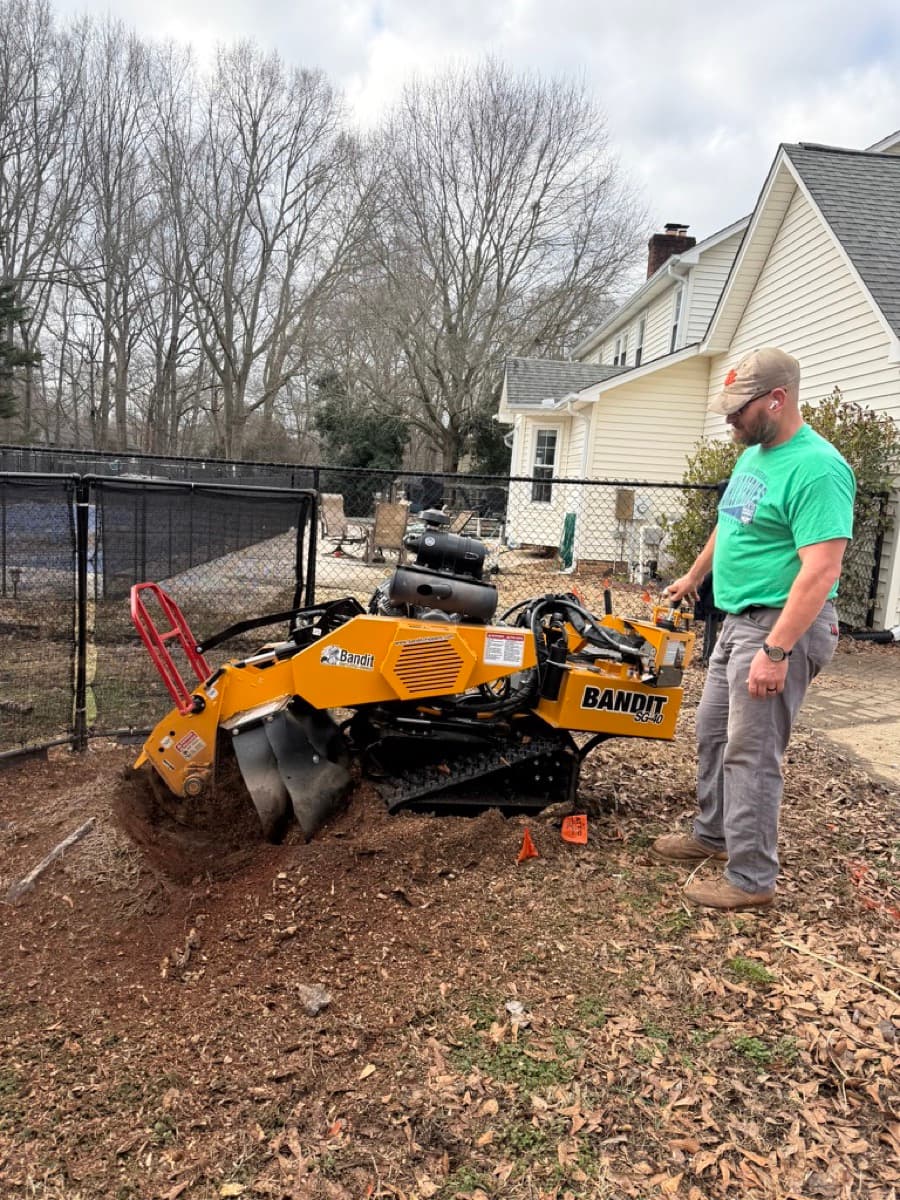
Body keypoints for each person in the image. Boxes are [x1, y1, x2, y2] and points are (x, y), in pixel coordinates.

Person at [652, 348, 855, 910]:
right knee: (712, 731)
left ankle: (751, 879)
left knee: (752, 751)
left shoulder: (818, 468)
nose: (729, 419)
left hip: (778, 627)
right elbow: (730, 525)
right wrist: (693, 577)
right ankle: (712, 835)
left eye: (738, 409)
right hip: (738, 621)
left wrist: (777, 648)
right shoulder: (753, 457)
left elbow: (822, 570)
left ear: (777, 399)